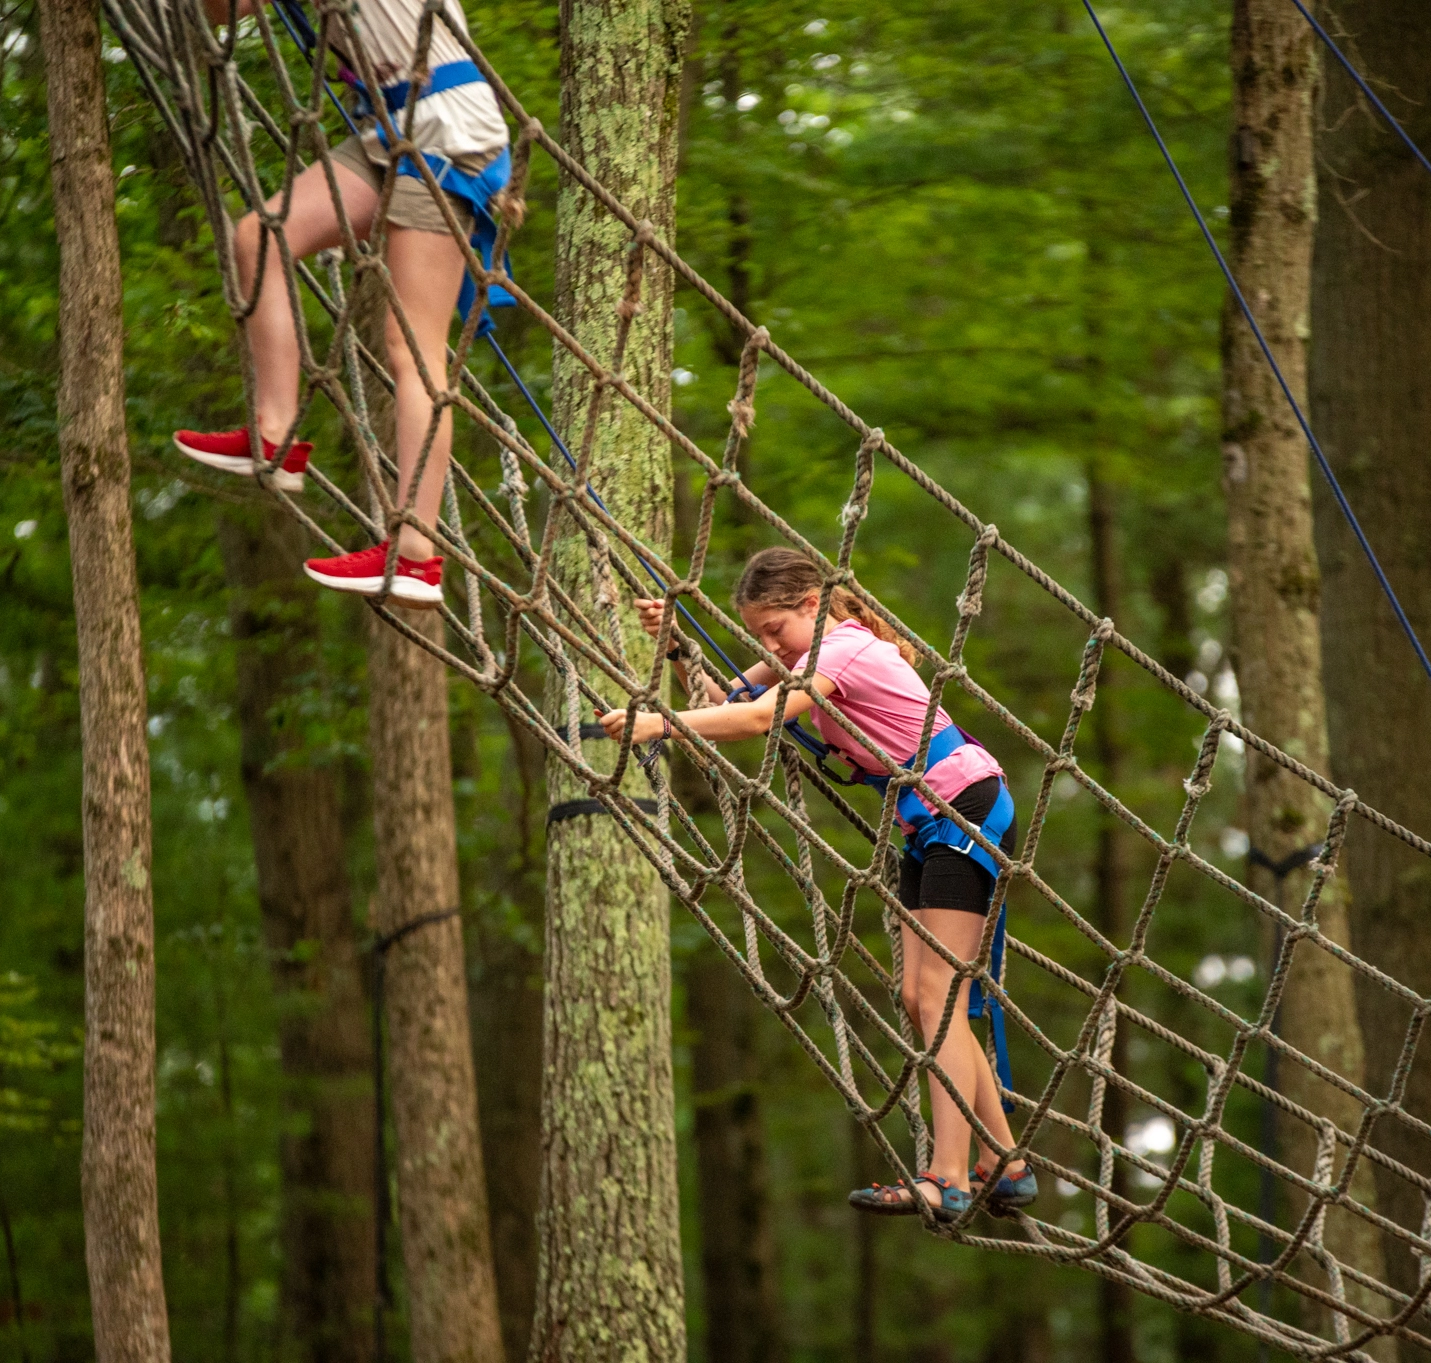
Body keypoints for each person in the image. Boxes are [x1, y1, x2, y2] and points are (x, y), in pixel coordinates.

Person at [599, 547, 1035, 1222]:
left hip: (964, 807)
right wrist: (681, 651)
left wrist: (659, 723)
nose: (769, 645)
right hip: (927, 821)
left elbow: (754, 720)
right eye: (760, 636)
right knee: (920, 1000)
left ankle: (949, 1175)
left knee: (936, 995)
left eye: (776, 630)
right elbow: (731, 703)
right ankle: (1002, 1160)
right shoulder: (803, 658)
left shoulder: (841, 651)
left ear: (813, 605)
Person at [173, 0, 509, 606]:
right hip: (390, 125)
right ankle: (275, 440)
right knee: (261, 236)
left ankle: (415, 553)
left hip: (446, 128)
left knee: (411, 346)